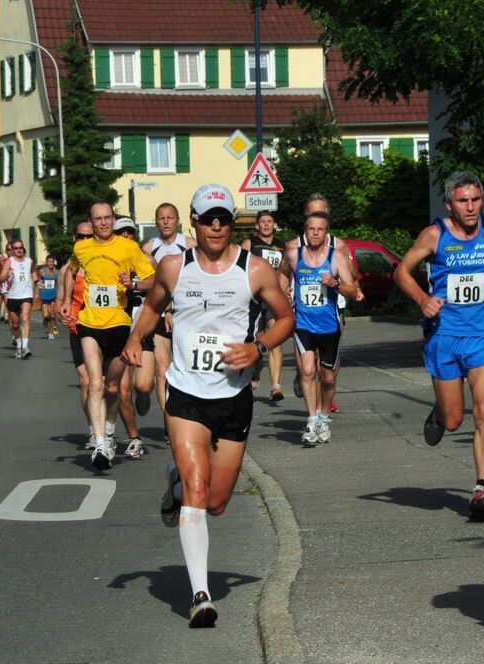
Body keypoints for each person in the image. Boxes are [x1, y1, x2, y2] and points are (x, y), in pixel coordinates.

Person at [122, 184, 294, 627]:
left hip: (233, 397)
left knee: (215, 503)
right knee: (199, 490)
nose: (215, 226)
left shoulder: (252, 269)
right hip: (185, 395)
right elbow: (152, 304)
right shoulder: (174, 266)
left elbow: (287, 317)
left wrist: (257, 347)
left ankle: (173, 484)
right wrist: (134, 339)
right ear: (192, 223)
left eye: (222, 218)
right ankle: (201, 595)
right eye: (207, 218)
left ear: (230, 223)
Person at [394, 172, 484, 521]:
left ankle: (481, 489)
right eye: (463, 201)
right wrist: (423, 299)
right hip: (445, 337)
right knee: (455, 419)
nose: (470, 207)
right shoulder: (434, 236)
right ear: (449, 204)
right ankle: (440, 413)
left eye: (475, 200)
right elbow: (402, 271)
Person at [58, 202, 155, 470]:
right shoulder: (82, 247)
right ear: (91, 222)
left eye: (107, 218)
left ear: (113, 219)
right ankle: (100, 443)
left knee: (113, 387)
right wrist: (67, 300)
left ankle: (109, 432)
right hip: (89, 323)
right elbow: (72, 270)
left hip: (119, 325)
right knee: (94, 382)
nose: (103, 223)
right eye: (98, 219)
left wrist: (133, 284)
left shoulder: (128, 248)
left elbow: (152, 280)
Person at [282, 211, 358, 444]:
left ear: (326, 233)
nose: (315, 233)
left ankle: (324, 417)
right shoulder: (294, 255)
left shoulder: (336, 258)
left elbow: (352, 290)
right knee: (307, 371)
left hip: (329, 326)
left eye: (320, 229)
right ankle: (312, 419)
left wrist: (334, 284)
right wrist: (285, 294)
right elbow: (281, 275)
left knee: (328, 379)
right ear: (306, 231)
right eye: (311, 229)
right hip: (303, 324)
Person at [141, 203, 197, 419]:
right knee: (162, 368)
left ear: (178, 220)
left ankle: (190, 414)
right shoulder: (148, 249)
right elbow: (149, 285)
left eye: (169, 217)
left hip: (187, 314)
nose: (165, 221)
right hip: (160, 314)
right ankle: (169, 421)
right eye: (161, 218)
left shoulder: (190, 245)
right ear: (156, 222)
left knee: (187, 367)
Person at [112, 217, 150, 458]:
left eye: (130, 233)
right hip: (119, 330)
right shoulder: (109, 263)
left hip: (144, 328)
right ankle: (134, 438)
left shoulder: (146, 260)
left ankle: (145, 395)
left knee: (142, 385)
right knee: (122, 390)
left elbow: (158, 285)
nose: (126, 237)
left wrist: (134, 283)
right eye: (121, 233)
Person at [241, 210, 287, 401]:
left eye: (270, 221)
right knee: (256, 343)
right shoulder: (250, 244)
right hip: (253, 298)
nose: (266, 225)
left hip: (272, 297)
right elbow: (239, 268)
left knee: (274, 338)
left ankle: (276, 386)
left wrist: (283, 295)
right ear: (257, 226)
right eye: (263, 222)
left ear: (275, 225)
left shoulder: (282, 246)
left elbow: (285, 273)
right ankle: (256, 371)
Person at [59, 220, 95, 446]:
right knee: (86, 382)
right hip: (77, 328)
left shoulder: (101, 264)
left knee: (102, 383)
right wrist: (62, 311)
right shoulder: (67, 269)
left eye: (88, 237)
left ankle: (105, 426)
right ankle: (94, 429)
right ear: (74, 239)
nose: (84, 241)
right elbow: (61, 300)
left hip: (101, 328)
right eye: (80, 237)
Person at [0, 239, 38, 359]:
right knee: (15, 325)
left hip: (26, 295)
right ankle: (19, 343)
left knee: (25, 319)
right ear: (12, 250)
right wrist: (6, 275)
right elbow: (0, 279)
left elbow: (33, 272)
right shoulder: (9, 262)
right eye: (16, 248)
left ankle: (25, 347)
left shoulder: (29, 261)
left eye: (21, 248)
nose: (19, 250)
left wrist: (37, 282)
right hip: (13, 296)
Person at [37, 253, 61, 340]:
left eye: (52, 261)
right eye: (49, 261)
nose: (51, 263)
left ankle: (51, 333)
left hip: (53, 296)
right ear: (46, 262)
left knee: (52, 315)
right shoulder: (42, 271)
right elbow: (36, 281)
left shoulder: (57, 272)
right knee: (46, 315)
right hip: (44, 295)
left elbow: (59, 284)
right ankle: (45, 319)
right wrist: (36, 293)